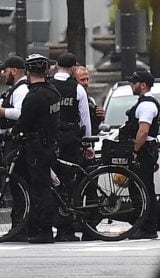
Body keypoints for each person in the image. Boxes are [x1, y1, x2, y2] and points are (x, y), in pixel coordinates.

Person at [13, 54, 60, 244]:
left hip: (37, 146)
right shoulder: (53, 92)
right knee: (46, 187)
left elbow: (24, 122)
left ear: (27, 72)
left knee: (40, 189)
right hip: (51, 143)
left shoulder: (32, 96)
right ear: (46, 71)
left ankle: (44, 230)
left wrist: (13, 132)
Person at [49, 52, 91, 241]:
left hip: (52, 140)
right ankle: (67, 228)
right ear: (73, 68)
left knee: (51, 184)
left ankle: (54, 223)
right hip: (71, 141)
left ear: (57, 64)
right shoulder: (77, 89)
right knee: (69, 183)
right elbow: (85, 119)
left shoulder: (48, 86)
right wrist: (87, 142)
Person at [118, 70, 160, 240]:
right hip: (144, 150)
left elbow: (143, 131)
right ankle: (143, 224)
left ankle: (148, 227)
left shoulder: (146, 105)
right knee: (138, 188)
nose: (131, 86)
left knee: (143, 189)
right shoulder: (143, 103)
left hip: (144, 151)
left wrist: (134, 150)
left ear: (143, 85)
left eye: (134, 83)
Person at [74, 65, 104, 134]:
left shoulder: (91, 101)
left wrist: (98, 117)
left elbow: (93, 128)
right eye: (82, 80)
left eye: (87, 79)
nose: (86, 83)